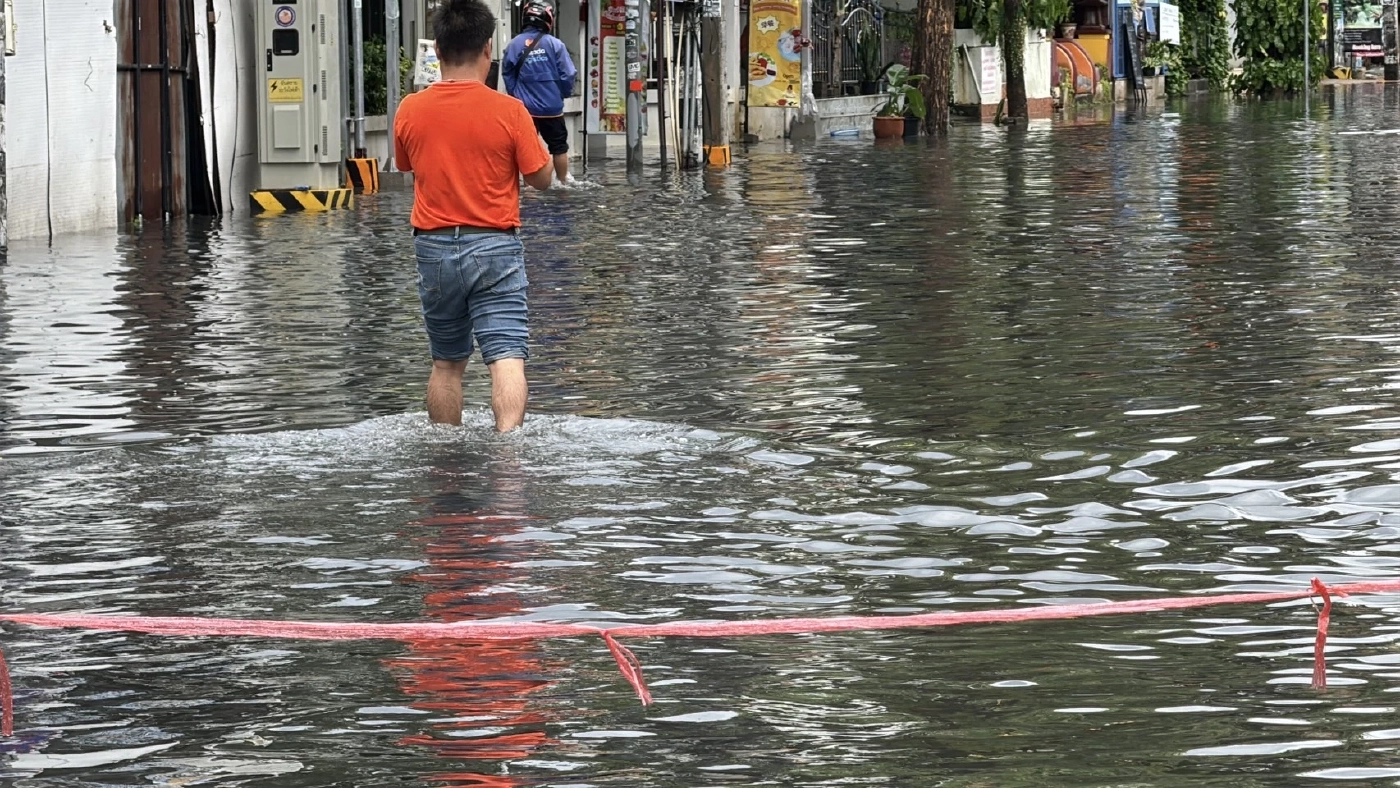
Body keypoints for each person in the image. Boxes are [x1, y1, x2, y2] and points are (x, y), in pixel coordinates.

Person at [393, 0, 553, 432]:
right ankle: (509, 458)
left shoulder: (410, 109)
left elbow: (405, 165)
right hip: (495, 246)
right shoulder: (510, 111)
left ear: (438, 51)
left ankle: (446, 456)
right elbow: (542, 178)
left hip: (434, 248)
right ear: (488, 49)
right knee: (506, 357)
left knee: (446, 363)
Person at [502, 0, 578, 185]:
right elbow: (568, 74)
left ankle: (528, 185)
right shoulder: (555, 44)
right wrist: (562, 93)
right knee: (559, 147)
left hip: (525, 110)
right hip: (552, 108)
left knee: (525, 149)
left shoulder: (513, 45)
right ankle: (563, 181)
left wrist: (516, 95)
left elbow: (507, 74)